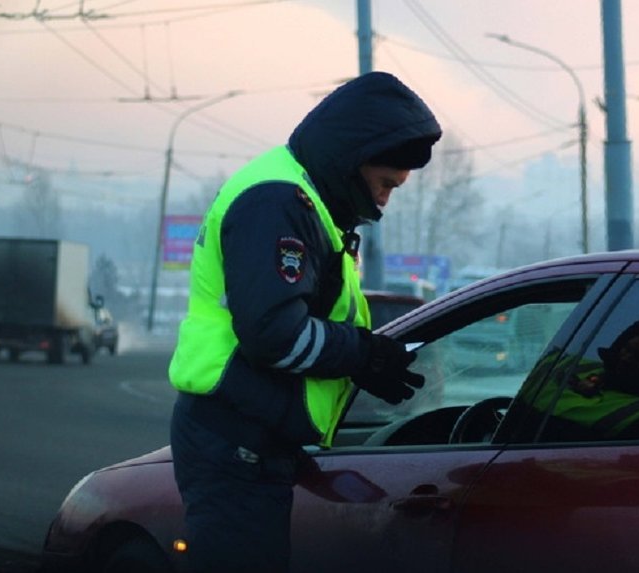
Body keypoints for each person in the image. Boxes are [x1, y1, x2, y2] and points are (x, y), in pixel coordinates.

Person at [167, 71, 442, 573]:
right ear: (350, 161)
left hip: (249, 437)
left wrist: (361, 359)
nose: (384, 200)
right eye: (384, 184)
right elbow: (273, 334)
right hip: (236, 442)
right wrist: (362, 354)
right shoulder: (277, 202)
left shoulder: (303, 201)